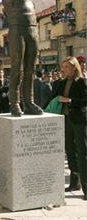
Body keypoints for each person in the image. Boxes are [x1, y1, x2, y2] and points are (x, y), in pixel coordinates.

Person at [52, 57, 87, 199]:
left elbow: (85, 101)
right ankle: (74, 183)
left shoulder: (82, 82)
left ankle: (86, 186)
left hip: (79, 121)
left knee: (82, 152)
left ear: (74, 67)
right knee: (70, 151)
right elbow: (54, 97)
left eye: (67, 67)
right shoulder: (62, 82)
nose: (64, 69)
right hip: (65, 120)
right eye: (63, 66)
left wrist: (70, 100)